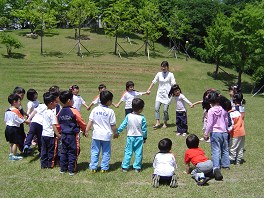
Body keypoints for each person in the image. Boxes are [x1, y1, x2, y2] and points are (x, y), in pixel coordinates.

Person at [84, 90, 119, 173]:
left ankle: (93, 167)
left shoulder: (95, 109)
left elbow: (90, 121)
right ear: (109, 101)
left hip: (96, 135)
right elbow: (113, 125)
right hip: (106, 136)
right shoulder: (110, 111)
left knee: (95, 151)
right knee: (106, 152)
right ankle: (104, 168)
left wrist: (86, 130)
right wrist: (115, 133)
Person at [57, 91, 87, 175]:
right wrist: (85, 130)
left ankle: (63, 169)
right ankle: (71, 169)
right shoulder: (74, 111)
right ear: (69, 100)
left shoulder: (60, 112)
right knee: (73, 151)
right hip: (73, 135)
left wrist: (58, 133)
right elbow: (80, 121)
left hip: (63, 135)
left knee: (64, 151)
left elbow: (58, 124)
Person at [117, 98, 147, 173]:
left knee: (128, 151)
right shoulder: (142, 118)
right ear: (140, 109)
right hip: (139, 137)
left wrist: (117, 132)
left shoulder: (128, 116)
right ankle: (137, 167)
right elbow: (144, 129)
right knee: (138, 152)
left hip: (130, 137)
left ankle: (125, 167)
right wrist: (145, 137)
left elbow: (123, 125)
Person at [204, 92, 230, 175]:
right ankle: (226, 165)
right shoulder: (223, 109)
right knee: (225, 149)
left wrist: (205, 133)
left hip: (215, 132)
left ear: (210, 102)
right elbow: (226, 121)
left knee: (215, 150)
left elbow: (209, 123)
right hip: (224, 132)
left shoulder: (211, 111)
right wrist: (226, 129)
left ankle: (216, 166)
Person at [146, 61, 176, 129]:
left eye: (165, 66)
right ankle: (157, 123)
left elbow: (173, 83)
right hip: (159, 94)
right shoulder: (159, 74)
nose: (163, 68)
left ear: (167, 67)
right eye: (162, 66)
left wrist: (174, 92)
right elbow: (154, 82)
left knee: (165, 110)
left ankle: (165, 123)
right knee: (156, 108)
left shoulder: (171, 74)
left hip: (168, 94)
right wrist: (149, 89)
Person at [5, 94, 29, 161]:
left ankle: (11, 153)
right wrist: (28, 122)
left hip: (8, 128)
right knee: (15, 142)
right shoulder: (16, 111)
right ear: (14, 102)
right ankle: (14, 156)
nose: (20, 103)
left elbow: (5, 119)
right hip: (14, 128)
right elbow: (21, 119)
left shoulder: (8, 110)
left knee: (11, 142)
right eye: (19, 101)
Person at [40, 92, 61, 169]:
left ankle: (43, 164)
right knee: (51, 150)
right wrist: (57, 134)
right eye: (55, 102)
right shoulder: (52, 114)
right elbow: (54, 125)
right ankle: (51, 164)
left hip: (44, 134)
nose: (56, 104)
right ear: (51, 103)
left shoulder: (44, 112)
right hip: (50, 135)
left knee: (44, 150)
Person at [226, 100, 246, 165]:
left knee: (232, 147)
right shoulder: (237, 112)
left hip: (235, 133)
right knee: (240, 147)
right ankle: (238, 160)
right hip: (242, 132)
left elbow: (230, 125)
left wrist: (227, 131)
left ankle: (232, 159)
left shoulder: (229, 114)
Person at [13, 87, 28, 153]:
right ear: (16, 94)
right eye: (21, 95)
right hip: (17, 123)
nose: (22, 97)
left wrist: (27, 114)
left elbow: (22, 110)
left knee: (22, 134)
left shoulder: (19, 103)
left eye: (23, 96)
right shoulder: (14, 104)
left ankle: (24, 147)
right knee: (18, 137)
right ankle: (22, 149)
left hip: (20, 123)